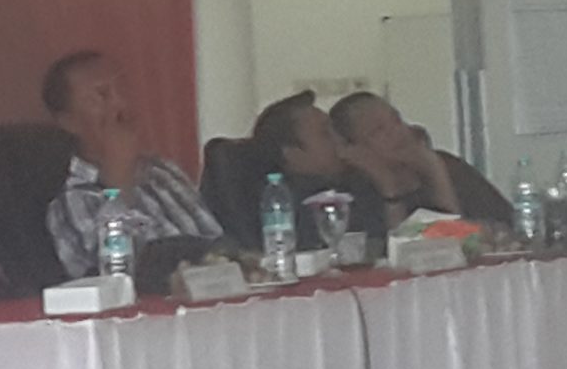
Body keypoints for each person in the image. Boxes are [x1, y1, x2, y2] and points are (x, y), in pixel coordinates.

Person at [41, 50, 221, 277]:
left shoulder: (164, 172)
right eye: (101, 96)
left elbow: (217, 247)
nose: (121, 103)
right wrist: (119, 179)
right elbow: (117, 276)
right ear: (69, 122)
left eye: (123, 88)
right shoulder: (71, 202)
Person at [329, 90, 515, 228]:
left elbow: (505, 225)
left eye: (396, 120)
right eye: (378, 130)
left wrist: (436, 171)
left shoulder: (448, 165)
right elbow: (399, 250)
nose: (398, 132)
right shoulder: (353, 190)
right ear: (355, 148)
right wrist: (389, 189)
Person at [247, 90, 389, 246]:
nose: (339, 139)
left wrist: (386, 181)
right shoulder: (292, 208)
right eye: (325, 134)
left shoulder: (355, 178)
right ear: (294, 154)